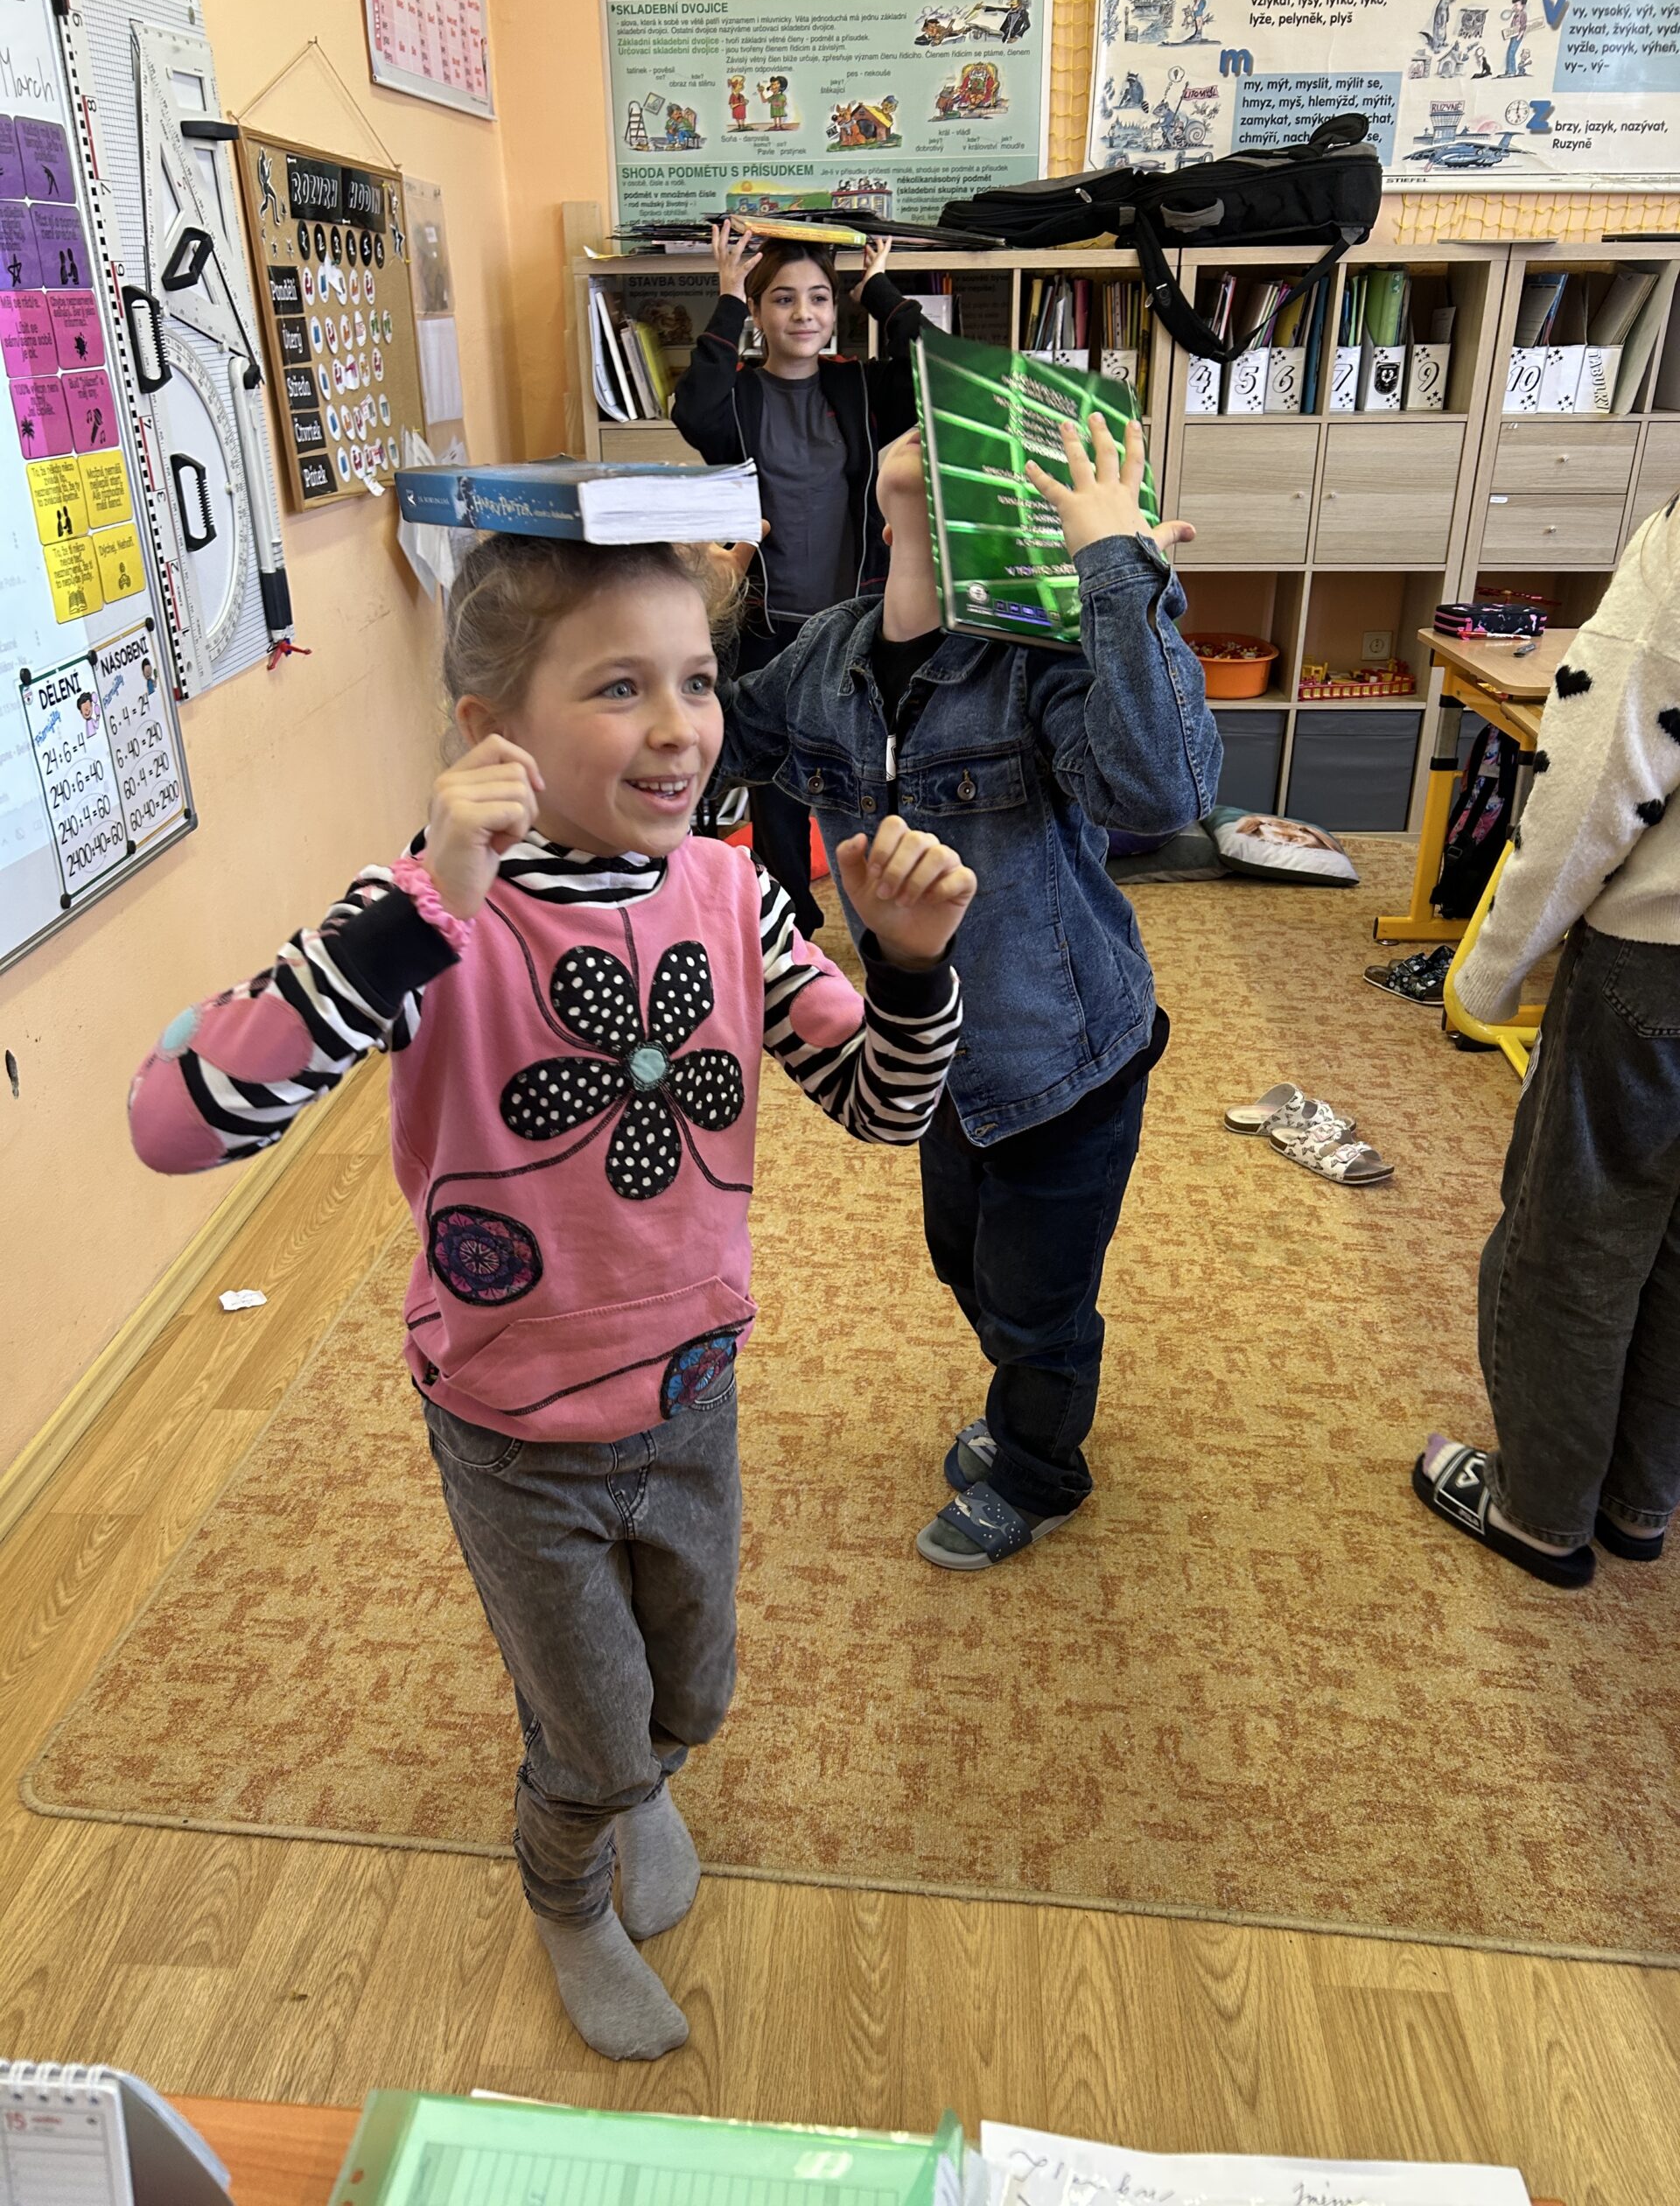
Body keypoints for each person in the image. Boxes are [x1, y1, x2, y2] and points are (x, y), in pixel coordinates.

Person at [127, 532, 974, 2056]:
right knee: (585, 1734)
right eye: (619, 688)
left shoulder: (731, 890)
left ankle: (637, 1781)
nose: (680, 727)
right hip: (514, 1425)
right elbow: (177, 1121)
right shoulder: (434, 920)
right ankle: (569, 1895)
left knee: (690, 1695)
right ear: (490, 732)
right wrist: (419, 902)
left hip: (692, 1394)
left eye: (697, 681)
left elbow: (883, 1106)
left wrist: (909, 970)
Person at [715, 413, 1220, 1570]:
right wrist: (693, 601)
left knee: (1039, 1304)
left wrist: (1114, 568)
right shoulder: (828, 653)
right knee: (967, 1266)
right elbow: (707, 745)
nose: (922, 431)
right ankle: (1025, 1387)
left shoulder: (1041, 657)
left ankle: (1042, 1464)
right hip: (930, 1053)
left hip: (1069, 1058)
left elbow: (1163, 791)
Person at [1415, 506, 1680, 1587]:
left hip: (1659, 954)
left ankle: (1541, 1511)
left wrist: (1490, 968)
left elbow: (1599, 772)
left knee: (1577, 1236)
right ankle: (1637, 1498)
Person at [671, 221, 924, 935]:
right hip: (766, 622)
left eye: (819, 298)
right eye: (782, 299)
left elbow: (939, 376)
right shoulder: (740, 397)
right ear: (759, 312)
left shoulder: (861, 387)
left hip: (855, 625)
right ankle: (790, 925)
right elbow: (693, 409)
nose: (804, 314)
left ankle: (890, 923)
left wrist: (881, 292)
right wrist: (727, 292)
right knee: (776, 788)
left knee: (870, 773)